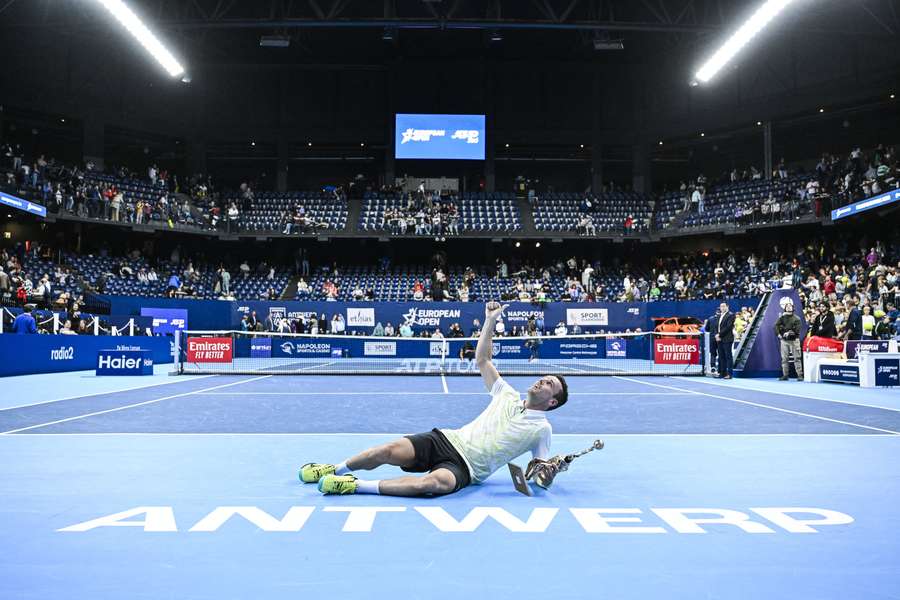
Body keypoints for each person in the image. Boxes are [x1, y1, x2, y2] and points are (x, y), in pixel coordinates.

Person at [299, 302, 569, 496]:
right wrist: (489, 320)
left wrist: (551, 471)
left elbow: (539, 476)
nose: (541, 381)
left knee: (430, 484)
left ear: (552, 402)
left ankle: (353, 486)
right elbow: (483, 360)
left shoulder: (541, 430)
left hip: (466, 468)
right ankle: (333, 469)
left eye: (549, 383)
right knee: (384, 451)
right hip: (447, 440)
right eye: (543, 378)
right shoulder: (507, 394)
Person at [774, 299, 804, 381]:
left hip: (794, 340)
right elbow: (776, 326)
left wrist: (789, 332)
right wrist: (778, 334)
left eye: (790, 306)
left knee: (797, 358)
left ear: (793, 308)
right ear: (785, 308)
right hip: (784, 340)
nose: (788, 307)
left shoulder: (796, 318)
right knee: (784, 359)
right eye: (787, 306)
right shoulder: (782, 318)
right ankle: (785, 375)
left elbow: (797, 330)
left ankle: (800, 375)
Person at [715, 302, 735, 379]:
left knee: (728, 356)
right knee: (721, 357)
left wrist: (719, 334)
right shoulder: (719, 315)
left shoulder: (731, 315)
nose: (722, 308)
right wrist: (717, 335)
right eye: (721, 306)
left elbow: (728, 327)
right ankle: (722, 373)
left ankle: (730, 374)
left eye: (723, 306)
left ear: (727, 307)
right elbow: (717, 327)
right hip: (719, 339)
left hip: (727, 338)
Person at [704, 308, 720, 375]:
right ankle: (720, 368)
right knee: (721, 354)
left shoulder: (710, 318)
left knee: (713, 354)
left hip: (712, 339)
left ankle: (713, 367)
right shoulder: (722, 319)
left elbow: (706, 329)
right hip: (720, 339)